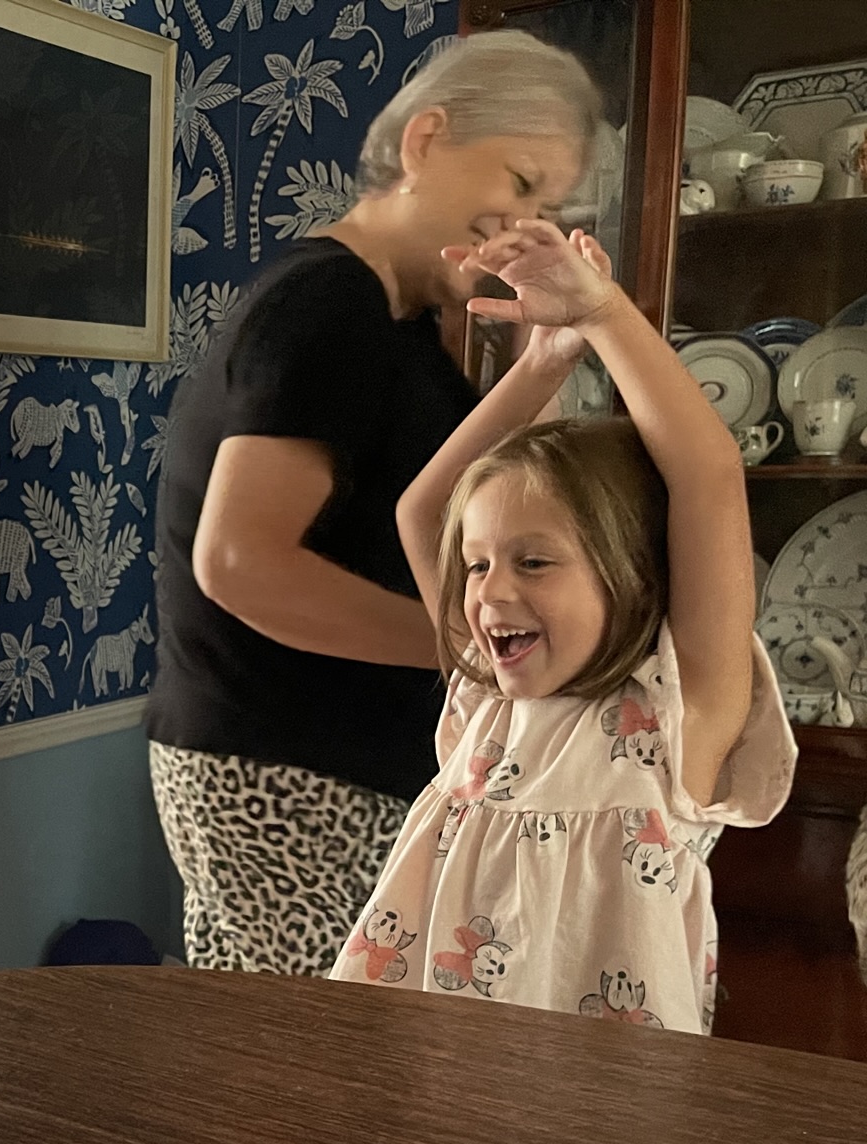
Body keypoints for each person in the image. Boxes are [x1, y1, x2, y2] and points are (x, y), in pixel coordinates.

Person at [147, 32, 600, 973]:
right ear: (425, 139)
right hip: (292, 769)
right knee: (332, 1051)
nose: (526, 224)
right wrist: (467, 648)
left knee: (303, 1043)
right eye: (521, 182)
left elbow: (505, 496)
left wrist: (546, 358)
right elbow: (241, 563)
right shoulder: (330, 306)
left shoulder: (393, 323)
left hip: (319, 763)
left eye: (550, 208)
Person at [330, 218, 795, 1031]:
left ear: (634, 575)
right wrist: (544, 360)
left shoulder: (678, 715)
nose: (489, 591)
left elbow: (709, 474)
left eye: (535, 562)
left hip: (597, 1099)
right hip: (438, 1073)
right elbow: (424, 512)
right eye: (478, 565)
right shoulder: (489, 697)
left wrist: (604, 316)